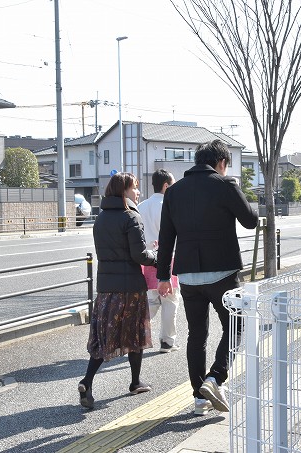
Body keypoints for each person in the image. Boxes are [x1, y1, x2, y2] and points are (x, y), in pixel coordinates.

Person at [156, 139, 258, 416]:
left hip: (188, 275)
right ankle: (216, 378)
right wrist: (236, 188)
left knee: (196, 335)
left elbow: (166, 238)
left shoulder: (174, 191)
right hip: (222, 274)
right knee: (235, 326)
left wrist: (163, 276)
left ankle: (199, 398)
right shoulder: (225, 185)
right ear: (221, 162)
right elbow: (250, 219)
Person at [77, 172, 156, 409]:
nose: (138, 193)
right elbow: (139, 255)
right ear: (124, 191)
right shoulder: (131, 217)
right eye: (135, 188)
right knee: (135, 335)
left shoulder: (100, 219)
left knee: (105, 336)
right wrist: (157, 256)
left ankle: (88, 381)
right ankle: (134, 382)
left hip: (106, 289)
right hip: (130, 287)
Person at [138, 169, 182, 353]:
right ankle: (167, 341)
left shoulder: (141, 206)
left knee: (151, 300)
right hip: (169, 258)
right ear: (166, 185)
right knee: (170, 300)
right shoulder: (171, 204)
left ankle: (137, 332)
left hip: (147, 258)